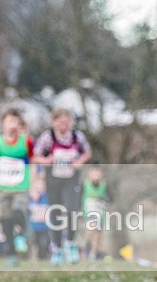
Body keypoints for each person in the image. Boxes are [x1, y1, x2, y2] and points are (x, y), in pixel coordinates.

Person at [32, 109, 92, 265]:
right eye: (61, 121)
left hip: (71, 179)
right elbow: (35, 155)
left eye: (67, 122)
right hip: (53, 179)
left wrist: (80, 161)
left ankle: (71, 243)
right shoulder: (48, 137)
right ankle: (57, 248)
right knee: (56, 213)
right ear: (54, 122)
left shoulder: (77, 136)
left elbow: (87, 152)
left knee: (73, 210)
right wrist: (46, 161)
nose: (64, 125)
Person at [0, 108, 34, 267]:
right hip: (2, 188)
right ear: (2, 123)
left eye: (16, 121)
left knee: (18, 212)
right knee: (5, 220)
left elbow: (34, 161)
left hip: (21, 187)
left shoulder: (26, 142)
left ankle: (22, 232)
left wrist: (36, 180)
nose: (12, 124)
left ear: (20, 124)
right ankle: (11, 253)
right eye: (9, 120)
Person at [82, 165, 111, 261]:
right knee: (90, 232)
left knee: (98, 235)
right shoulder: (84, 184)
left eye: (98, 173)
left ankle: (93, 254)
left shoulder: (104, 185)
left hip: (100, 214)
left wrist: (104, 199)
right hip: (88, 213)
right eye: (93, 173)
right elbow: (78, 196)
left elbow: (110, 198)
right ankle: (86, 251)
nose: (96, 175)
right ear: (89, 174)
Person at [28, 176, 51, 261]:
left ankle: (43, 257)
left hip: (45, 226)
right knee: (34, 243)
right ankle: (33, 257)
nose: (40, 188)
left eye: (42, 186)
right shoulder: (29, 198)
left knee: (44, 244)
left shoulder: (47, 197)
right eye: (38, 186)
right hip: (33, 226)